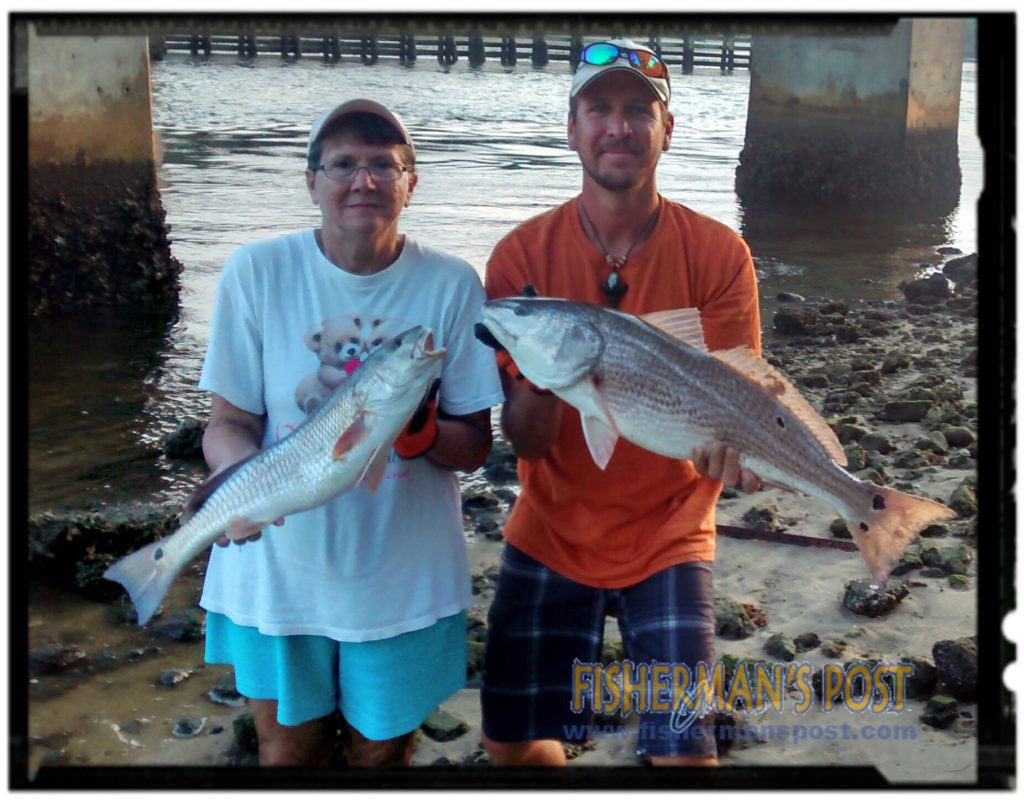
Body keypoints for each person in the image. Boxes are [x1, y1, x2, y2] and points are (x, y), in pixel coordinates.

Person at [480, 39, 763, 767]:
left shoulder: (719, 254)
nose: (619, 127)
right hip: (550, 529)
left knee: (685, 758)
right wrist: (548, 375)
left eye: (640, 110)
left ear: (667, 130)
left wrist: (742, 457)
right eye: (598, 109)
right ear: (571, 129)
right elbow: (529, 442)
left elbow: (742, 395)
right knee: (513, 749)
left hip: (672, 532)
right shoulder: (521, 260)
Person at [197, 99, 503, 767]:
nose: (363, 181)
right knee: (285, 753)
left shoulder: (452, 285)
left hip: (403, 578)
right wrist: (236, 485)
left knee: (384, 758)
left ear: (411, 184)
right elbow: (227, 424)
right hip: (276, 575)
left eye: (383, 166)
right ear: (311, 181)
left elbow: (476, 445)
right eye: (342, 164)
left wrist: (419, 437)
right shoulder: (256, 272)